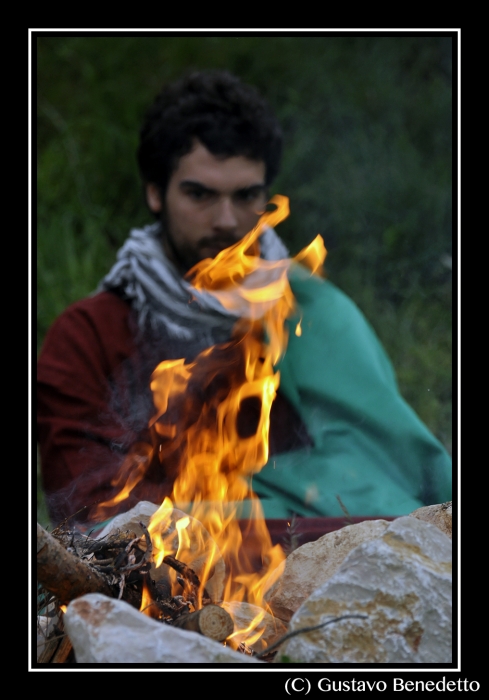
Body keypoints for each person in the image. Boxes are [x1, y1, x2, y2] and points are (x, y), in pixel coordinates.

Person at [37, 69, 452, 529]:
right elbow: (92, 516)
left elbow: (388, 481)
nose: (226, 220)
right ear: (155, 193)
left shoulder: (311, 315)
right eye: (200, 194)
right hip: (159, 592)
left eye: (246, 195)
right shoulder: (89, 338)